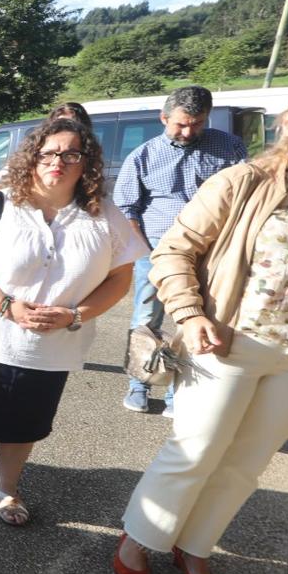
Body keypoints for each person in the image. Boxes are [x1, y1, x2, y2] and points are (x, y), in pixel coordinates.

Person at [0, 118, 146, 525]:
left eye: (70, 154)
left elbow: (121, 276)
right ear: (33, 157)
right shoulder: (1, 203)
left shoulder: (103, 215)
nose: (57, 161)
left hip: (55, 349)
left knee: (23, 427)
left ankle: (6, 489)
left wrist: (77, 314)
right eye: (48, 152)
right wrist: (5, 305)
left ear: (86, 163)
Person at [113, 108, 288, 574]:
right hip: (227, 343)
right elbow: (172, 252)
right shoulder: (243, 182)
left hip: (287, 358)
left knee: (246, 463)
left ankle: (194, 547)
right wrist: (190, 315)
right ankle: (137, 540)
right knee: (195, 450)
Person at [114, 86, 248, 417]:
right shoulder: (143, 156)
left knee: (194, 320)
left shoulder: (229, 147)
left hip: (211, 254)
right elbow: (126, 208)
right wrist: (144, 251)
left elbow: (246, 195)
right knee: (147, 320)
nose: (189, 132)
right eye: (181, 124)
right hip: (156, 253)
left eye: (197, 124)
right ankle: (139, 386)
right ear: (164, 118)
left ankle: (178, 393)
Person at [0, 102, 92, 193]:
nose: (57, 162)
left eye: (71, 124)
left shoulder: (90, 159)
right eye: (59, 124)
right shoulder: (33, 152)